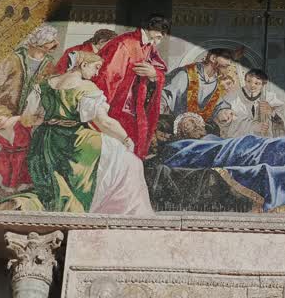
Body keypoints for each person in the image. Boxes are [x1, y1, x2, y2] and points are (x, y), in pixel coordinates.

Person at [20, 51, 152, 214]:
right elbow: (104, 122)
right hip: (74, 141)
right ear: (83, 65)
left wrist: (50, 120)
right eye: (96, 67)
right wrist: (125, 138)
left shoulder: (43, 86)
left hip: (43, 142)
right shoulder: (86, 87)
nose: (96, 73)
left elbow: (27, 119)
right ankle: (121, 211)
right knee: (130, 161)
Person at [93, 14, 171, 158]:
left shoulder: (149, 45)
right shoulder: (125, 43)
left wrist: (154, 74)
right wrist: (101, 110)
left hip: (135, 107)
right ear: (149, 27)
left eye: (162, 34)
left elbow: (159, 69)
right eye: (159, 32)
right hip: (116, 107)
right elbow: (107, 78)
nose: (160, 37)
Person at [162, 48, 235, 121]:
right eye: (226, 57)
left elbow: (217, 106)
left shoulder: (215, 83)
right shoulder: (185, 74)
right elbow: (164, 97)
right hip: (176, 123)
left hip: (199, 125)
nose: (229, 64)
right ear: (213, 58)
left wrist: (223, 112)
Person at [225, 68, 285, 138]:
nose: (252, 85)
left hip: (264, 139)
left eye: (257, 83)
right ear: (245, 80)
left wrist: (272, 111)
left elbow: (284, 118)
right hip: (240, 139)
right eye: (249, 81)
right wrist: (252, 127)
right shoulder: (233, 98)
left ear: (263, 84)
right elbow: (230, 120)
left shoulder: (270, 97)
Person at [51, 28, 118, 74]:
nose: (113, 48)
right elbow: (59, 72)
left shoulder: (105, 56)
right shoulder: (75, 51)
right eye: (111, 45)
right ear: (101, 41)